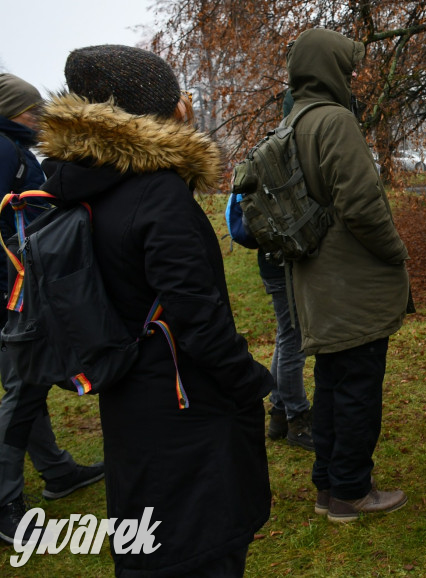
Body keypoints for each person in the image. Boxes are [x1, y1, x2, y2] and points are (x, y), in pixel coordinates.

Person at [35, 46, 274, 575]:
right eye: (175, 98)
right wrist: (249, 382)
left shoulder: (84, 183)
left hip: (131, 399)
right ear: (153, 112)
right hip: (186, 409)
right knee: (199, 548)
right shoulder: (157, 194)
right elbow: (199, 317)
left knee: (151, 545)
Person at [286, 28, 412, 522]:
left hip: (318, 284)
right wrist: (395, 251)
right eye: (348, 66)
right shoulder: (334, 121)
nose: (354, 76)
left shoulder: (293, 120)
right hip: (352, 282)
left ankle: (328, 487)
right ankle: (352, 492)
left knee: (333, 384)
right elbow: (360, 205)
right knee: (358, 386)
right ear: (328, 69)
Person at [0, 74, 105, 545]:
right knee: (23, 388)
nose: (37, 117)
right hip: (15, 290)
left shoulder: (15, 148)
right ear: (9, 111)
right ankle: (4, 502)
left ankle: (57, 471)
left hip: (18, 286)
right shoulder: (4, 150)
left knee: (29, 377)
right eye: (30, 110)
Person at [225, 90, 314, 451]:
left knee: (286, 336)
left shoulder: (264, 147)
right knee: (293, 340)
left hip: (270, 256)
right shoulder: (289, 151)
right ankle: (297, 419)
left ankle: (278, 413)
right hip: (286, 257)